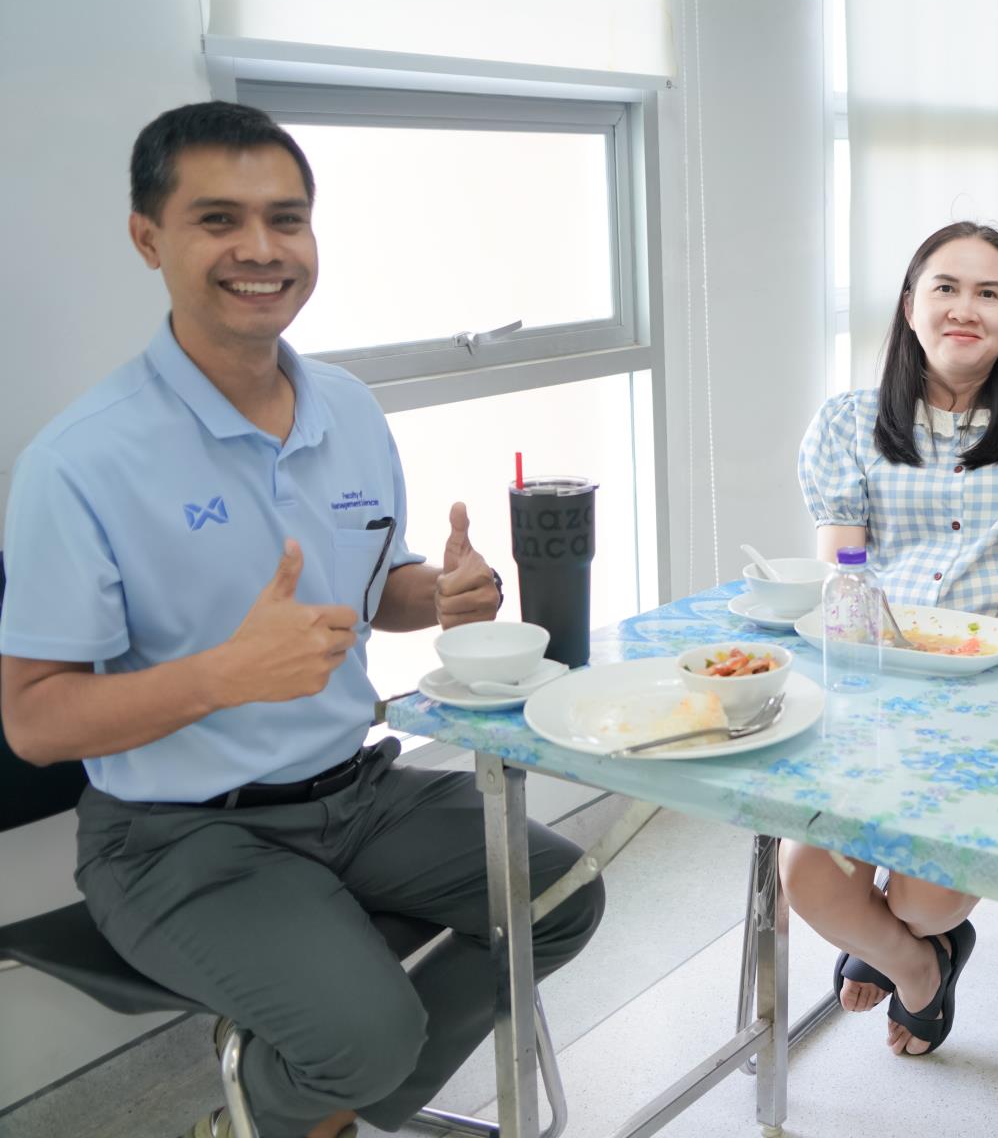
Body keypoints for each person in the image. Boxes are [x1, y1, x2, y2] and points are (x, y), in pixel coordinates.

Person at [0, 102, 602, 1138]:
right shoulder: (81, 460)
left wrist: (441, 595)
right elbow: (33, 721)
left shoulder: (348, 409)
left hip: (355, 792)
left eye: (287, 218)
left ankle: (296, 1108)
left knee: (563, 895)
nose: (261, 249)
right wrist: (222, 675)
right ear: (148, 238)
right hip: (176, 834)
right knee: (365, 1033)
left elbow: (369, 590)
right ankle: (318, 1093)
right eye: (218, 219)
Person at [787, 221, 998, 1056]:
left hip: (993, 686)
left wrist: (973, 661)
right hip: (874, 681)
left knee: (923, 899)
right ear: (910, 307)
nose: (966, 309)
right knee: (806, 876)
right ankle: (919, 966)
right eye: (946, 288)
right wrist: (883, 670)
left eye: (989, 293)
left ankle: (897, 934)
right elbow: (843, 576)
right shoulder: (847, 422)